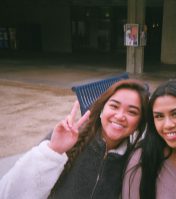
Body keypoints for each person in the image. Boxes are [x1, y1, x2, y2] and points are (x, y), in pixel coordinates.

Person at [0, 79, 149, 199]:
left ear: (139, 124)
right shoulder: (66, 139)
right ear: (102, 110)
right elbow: (10, 193)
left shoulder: (133, 159)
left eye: (132, 111)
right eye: (114, 106)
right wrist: (53, 152)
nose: (120, 116)